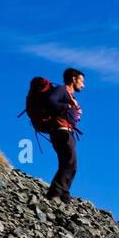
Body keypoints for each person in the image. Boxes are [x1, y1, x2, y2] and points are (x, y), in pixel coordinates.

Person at [45, 68, 84, 203]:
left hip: (66, 131)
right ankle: (54, 193)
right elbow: (50, 101)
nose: (83, 85)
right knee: (70, 162)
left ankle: (64, 195)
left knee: (68, 163)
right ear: (74, 79)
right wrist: (68, 106)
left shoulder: (70, 95)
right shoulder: (62, 90)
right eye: (81, 81)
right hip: (61, 131)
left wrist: (76, 112)